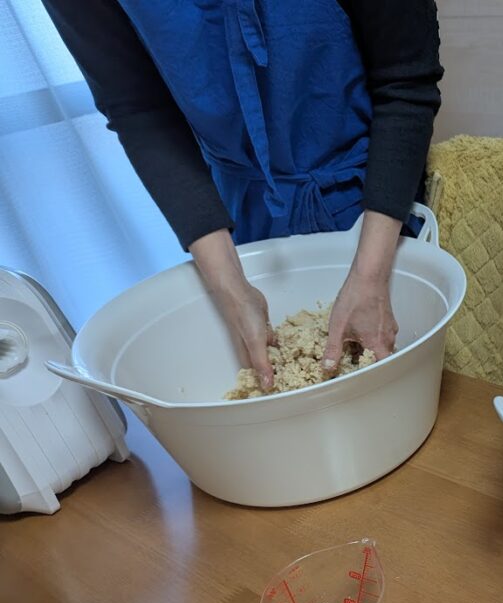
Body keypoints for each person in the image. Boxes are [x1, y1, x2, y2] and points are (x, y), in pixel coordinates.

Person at [43, 0, 443, 389]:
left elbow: (404, 78)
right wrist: (232, 290)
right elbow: (138, 110)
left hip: (372, 203)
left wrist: (370, 276)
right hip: (243, 215)